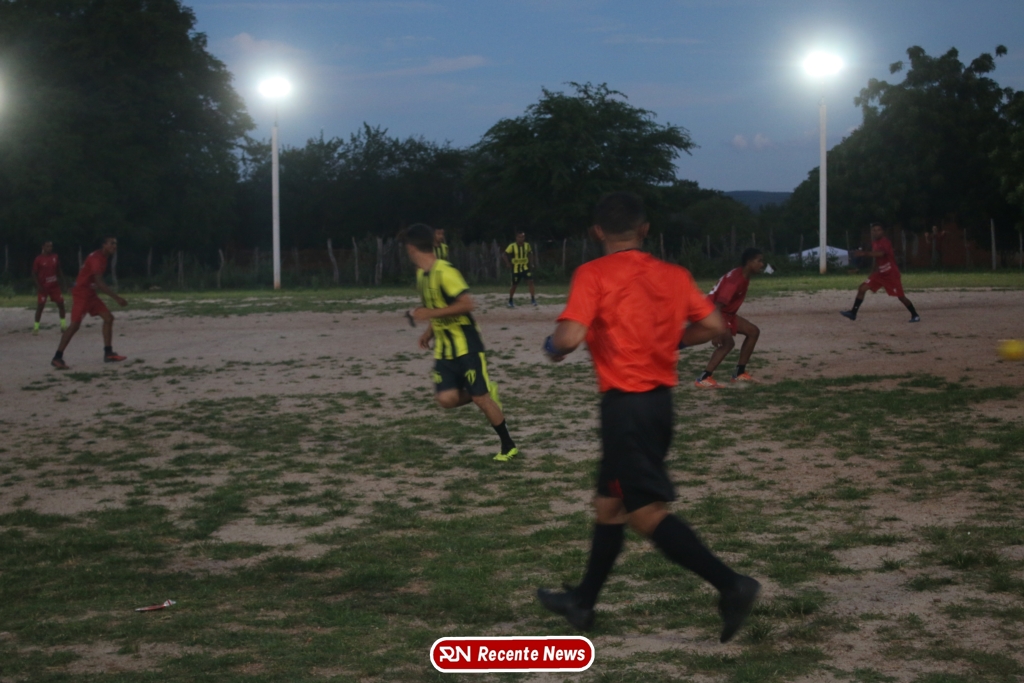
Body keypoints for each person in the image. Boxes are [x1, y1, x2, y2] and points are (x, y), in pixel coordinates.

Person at [536, 192, 760, 643]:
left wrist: (552, 346)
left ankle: (732, 585)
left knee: (644, 513)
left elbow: (570, 336)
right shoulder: (673, 275)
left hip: (627, 410)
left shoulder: (593, 273)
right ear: (644, 230)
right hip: (656, 406)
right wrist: (670, 341)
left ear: (597, 231)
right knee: (609, 505)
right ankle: (582, 602)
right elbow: (715, 326)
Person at [405, 223, 519, 462]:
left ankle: (508, 445)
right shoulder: (421, 275)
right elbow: (437, 305)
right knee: (446, 400)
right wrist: (429, 331)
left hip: (467, 345)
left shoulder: (445, 271)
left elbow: (467, 304)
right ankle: (485, 391)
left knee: (480, 398)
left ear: (412, 248)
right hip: (445, 349)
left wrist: (429, 314)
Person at [51, 237, 128, 370]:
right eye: (111, 243)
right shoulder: (96, 259)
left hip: (90, 294)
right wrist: (116, 298)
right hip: (82, 294)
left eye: (115, 244)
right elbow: (99, 282)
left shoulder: (103, 257)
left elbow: (92, 279)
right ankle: (57, 357)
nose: (114, 246)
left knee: (108, 318)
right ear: (104, 245)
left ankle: (108, 353)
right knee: (74, 326)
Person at [695, 248, 765, 388]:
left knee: (753, 332)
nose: (762, 264)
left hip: (726, 313)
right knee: (727, 344)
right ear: (749, 262)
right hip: (715, 313)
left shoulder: (742, 274)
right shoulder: (734, 281)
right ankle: (704, 378)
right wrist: (715, 331)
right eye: (759, 261)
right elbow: (717, 306)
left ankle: (739, 373)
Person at [841, 223, 920, 322]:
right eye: (874, 230)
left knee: (901, 297)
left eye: (878, 230)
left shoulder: (885, 242)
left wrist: (864, 253)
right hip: (880, 274)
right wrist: (873, 272)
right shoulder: (875, 243)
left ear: (883, 232)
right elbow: (877, 259)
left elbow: (881, 254)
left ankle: (915, 315)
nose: (876, 232)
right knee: (862, 288)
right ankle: (853, 313)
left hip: (891, 274)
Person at [31, 241, 67, 335]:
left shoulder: (55, 257)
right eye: (47, 246)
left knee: (61, 304)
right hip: (43, 287)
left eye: (51, 246)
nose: (49, 248)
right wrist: (38, 285)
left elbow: (58, 270)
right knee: (40, 306)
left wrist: (63, 282)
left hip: (54, 286)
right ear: (43, 247)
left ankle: (63, 325)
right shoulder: (38, 259)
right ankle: (36, 328)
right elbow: (34, 273)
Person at [503, 230, 536, 308]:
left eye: (522, 237)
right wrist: (507, 263)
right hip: (516, 269)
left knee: (530, 282)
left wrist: (531, 263)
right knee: (514, 285)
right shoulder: (512, 246)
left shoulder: (527, 245)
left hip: (525, 267)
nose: (521, 238)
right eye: (519, 237)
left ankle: (533, 299)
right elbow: (504, 254)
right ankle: (510, 300)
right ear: (516, 238)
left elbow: (530, 253)